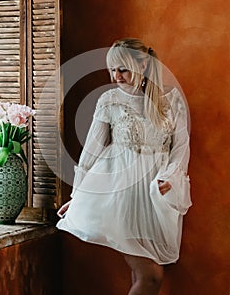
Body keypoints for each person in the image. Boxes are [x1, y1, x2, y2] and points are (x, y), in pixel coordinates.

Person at [57, 38, 192, 295]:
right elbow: (91, 153)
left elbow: (181, 148)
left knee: (141, 274)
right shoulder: (109, 100)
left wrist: (171, 179)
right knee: (151, 276)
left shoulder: (170, 102)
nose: (116, 75)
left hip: (155, 195)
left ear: (142, 66)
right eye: (113, 69)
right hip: (122, 193)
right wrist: (79, 196)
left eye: (123, 69)